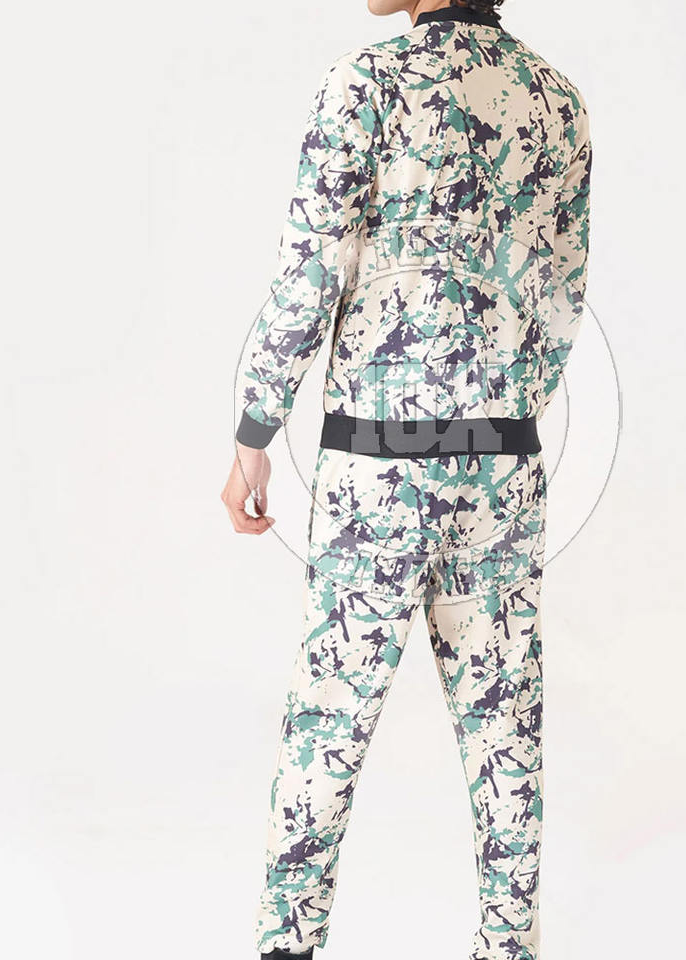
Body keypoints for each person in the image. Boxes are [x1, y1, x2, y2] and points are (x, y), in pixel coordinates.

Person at [221, 1, 591, 957]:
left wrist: (257, 426)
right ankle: (509, 949)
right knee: (504, 732)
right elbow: (562, 288)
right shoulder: (556, 99)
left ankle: (287, 948)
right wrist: (507, 406)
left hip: (377, 466)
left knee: (329, 727)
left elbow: (313, 269)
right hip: (504, 462)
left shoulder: (367, 81)